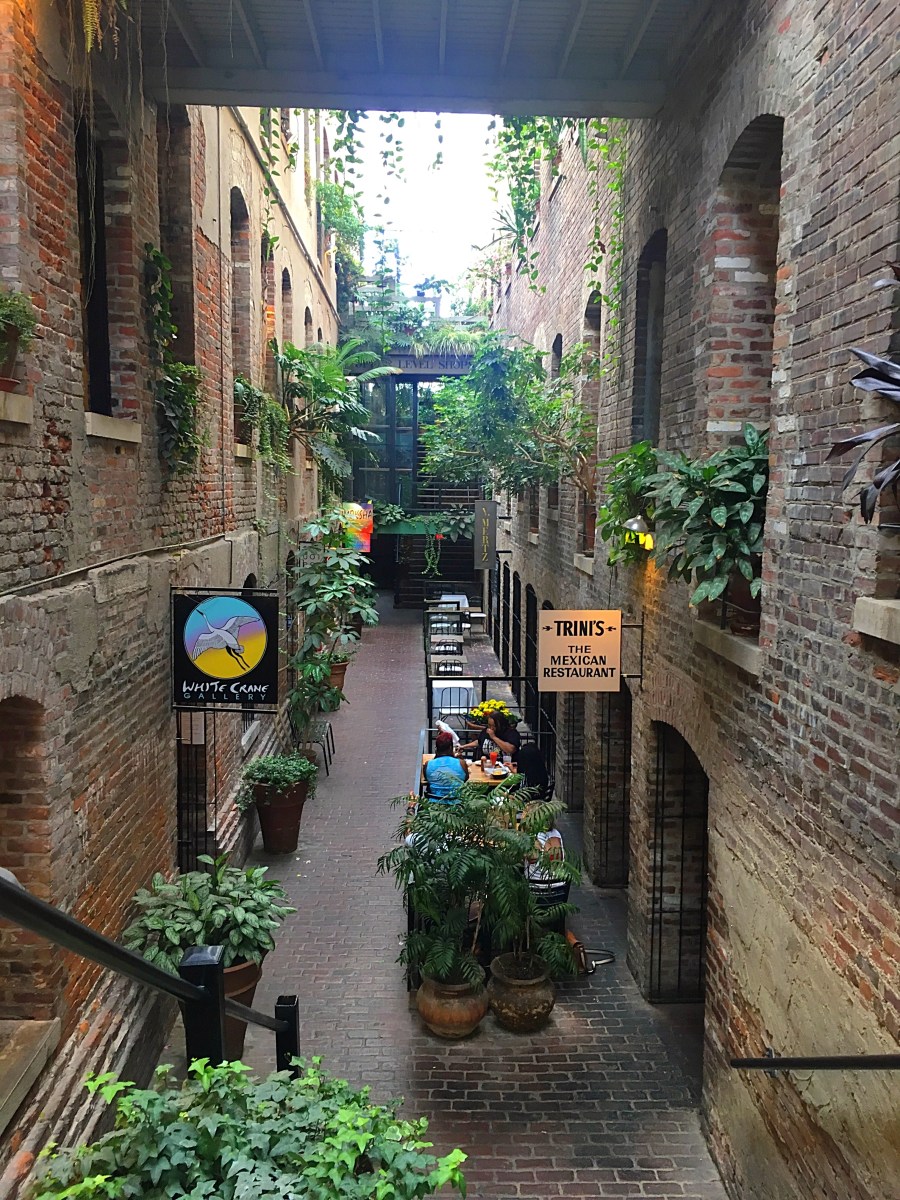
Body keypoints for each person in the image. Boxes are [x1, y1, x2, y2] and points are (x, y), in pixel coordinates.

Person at [424, 731, 468, 800]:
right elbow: (465, 779)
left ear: (436, 748)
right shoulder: (461, 763)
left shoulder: (428, 764)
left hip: (434, 805)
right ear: (451, 747)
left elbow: (428, 780)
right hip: (457, 805)